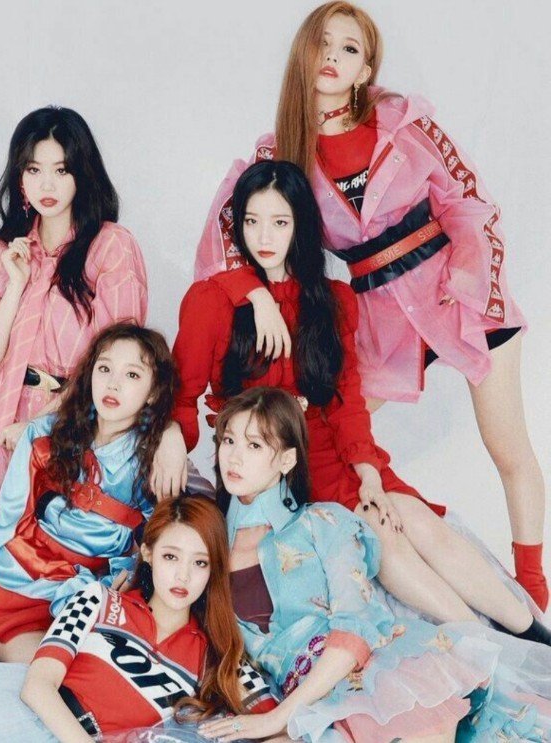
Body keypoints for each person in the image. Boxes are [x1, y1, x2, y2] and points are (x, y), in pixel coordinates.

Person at [191, 2, 547, 611]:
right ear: (303, 55)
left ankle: (533, 587)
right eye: (322, 44)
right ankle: (303, 558)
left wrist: (468, 282)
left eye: (349, 48)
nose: (332, 57)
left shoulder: (404, 122)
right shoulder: (283, 150)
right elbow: (226, 234)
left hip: (457, 296)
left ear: (365, 69)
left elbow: (471, 204)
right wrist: (255, 294)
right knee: (316, 426)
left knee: (506, 444)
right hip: (381, 322)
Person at [169, 160, 549, 640]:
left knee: (412, 515)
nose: (264, 236)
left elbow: (346, 399)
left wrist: (367, 470)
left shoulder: (331, 299)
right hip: (274, 465)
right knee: (382, 534)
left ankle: (531, 632)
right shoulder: (212, 301)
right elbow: (181, 395)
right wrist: (173, 439)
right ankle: (481, 639)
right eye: (252, 221)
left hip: (332, 446)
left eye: (279, 222)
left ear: (300, 226)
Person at [198, 387, 551, 742]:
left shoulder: (324, 524)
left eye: (254, 445)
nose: (235, 457)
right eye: (229, 440)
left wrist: (278, 718)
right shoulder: (206, 553)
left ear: (287, 460)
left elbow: (355, 630)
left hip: (379, 677)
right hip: (308, 710)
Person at [0, 322, 175, 669]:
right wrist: (64, 584)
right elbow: (7, 521)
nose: (113, 383)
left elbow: (154, 542)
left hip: (66, 590)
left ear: (154, 392)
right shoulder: (44, 433)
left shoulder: (156, 462)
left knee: (55, 668)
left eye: (132, 375)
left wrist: (108, 583)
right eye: (104, 369)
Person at [0, 497, 276, 743]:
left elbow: (279, 727)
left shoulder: (219, 656)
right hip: (29, 723)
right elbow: (37, 686)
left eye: (199, 562)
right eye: (171, 557)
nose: (183, 576)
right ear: (148, 553)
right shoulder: (99, 600)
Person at [0, 106, 148, 521]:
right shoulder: (2, 254)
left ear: (82, 175)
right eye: (34, 170)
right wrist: (16, 285)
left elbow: (119, 358)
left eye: (61, 170)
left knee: (41, 556)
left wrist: (38, 425)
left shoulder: (110, 248)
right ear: (19, 178)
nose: (47, 184)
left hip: (74, 426)